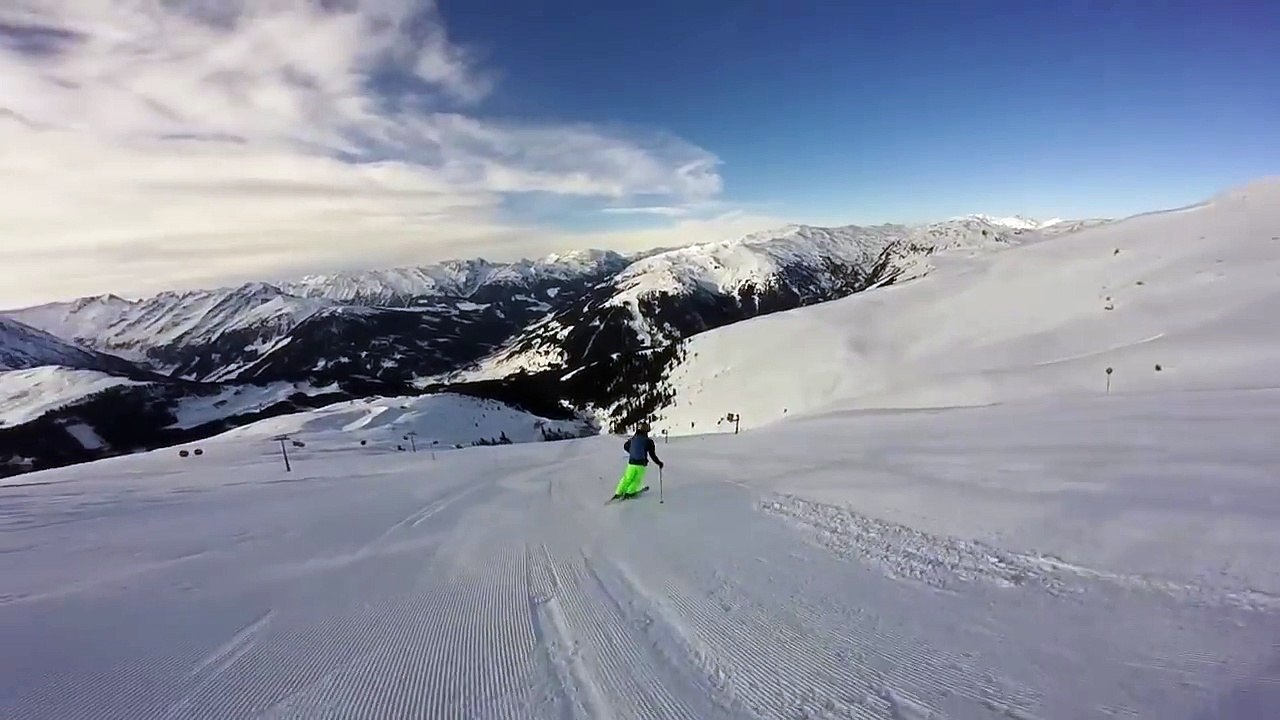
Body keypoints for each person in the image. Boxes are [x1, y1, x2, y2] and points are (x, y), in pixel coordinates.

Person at [613, 422, 663, 499]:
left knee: (627, 478)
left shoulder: (633, 439)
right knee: (637, 479)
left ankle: (619, 492)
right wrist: (659, 463)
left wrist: (633, 452)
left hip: (631, 463)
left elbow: (625, 446)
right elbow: (652, 455)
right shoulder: (648, 441)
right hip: (641, 463)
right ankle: (630, 492)